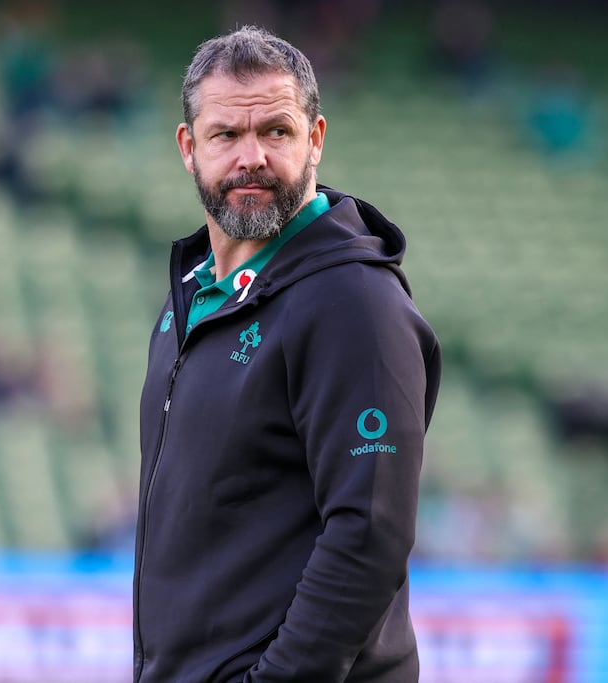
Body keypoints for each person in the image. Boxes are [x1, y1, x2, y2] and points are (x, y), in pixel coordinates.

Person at [134, 26, 442, 683]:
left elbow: (369, 533)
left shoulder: (353, 302)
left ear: (316, 139)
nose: (254, 157)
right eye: (226, 135)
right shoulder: (189, 296)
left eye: (276, 131)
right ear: (189, 148)